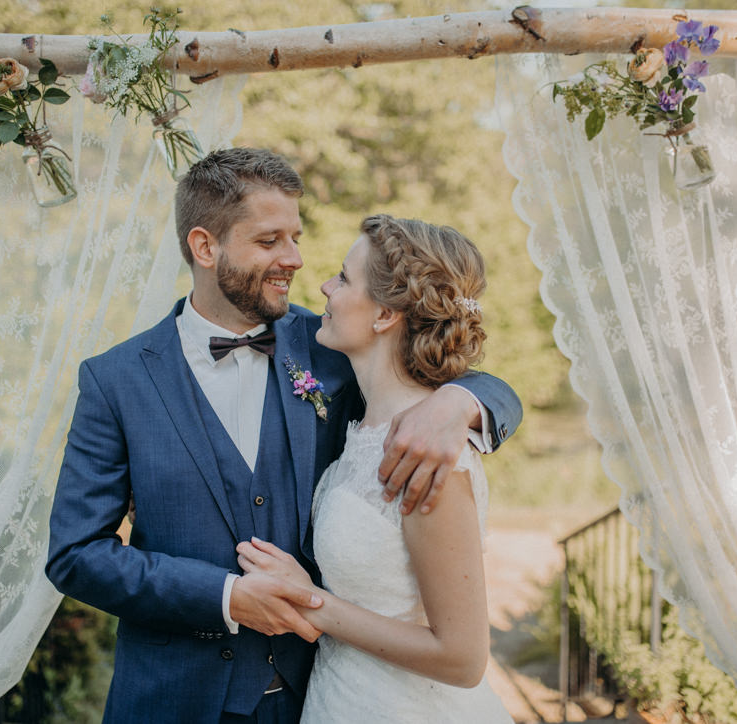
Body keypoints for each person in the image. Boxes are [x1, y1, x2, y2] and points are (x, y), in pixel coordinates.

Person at [45, 148, 522, 724]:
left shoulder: (329, 347)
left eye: (295, 236)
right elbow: (76, 554)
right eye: (270, 241)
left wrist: (461, 402)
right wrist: (224, 596)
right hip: (174, 701)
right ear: (205, 246)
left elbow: (449, 362)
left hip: (315, 695)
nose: (295, 259)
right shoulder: (115, 379)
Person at [237, 214, 515, 722]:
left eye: (343, 278)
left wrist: (310, 601)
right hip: (339, 699)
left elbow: (463, 658)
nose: (322, 286)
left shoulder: (429, 454)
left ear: (385, 314)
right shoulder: (361, 423)